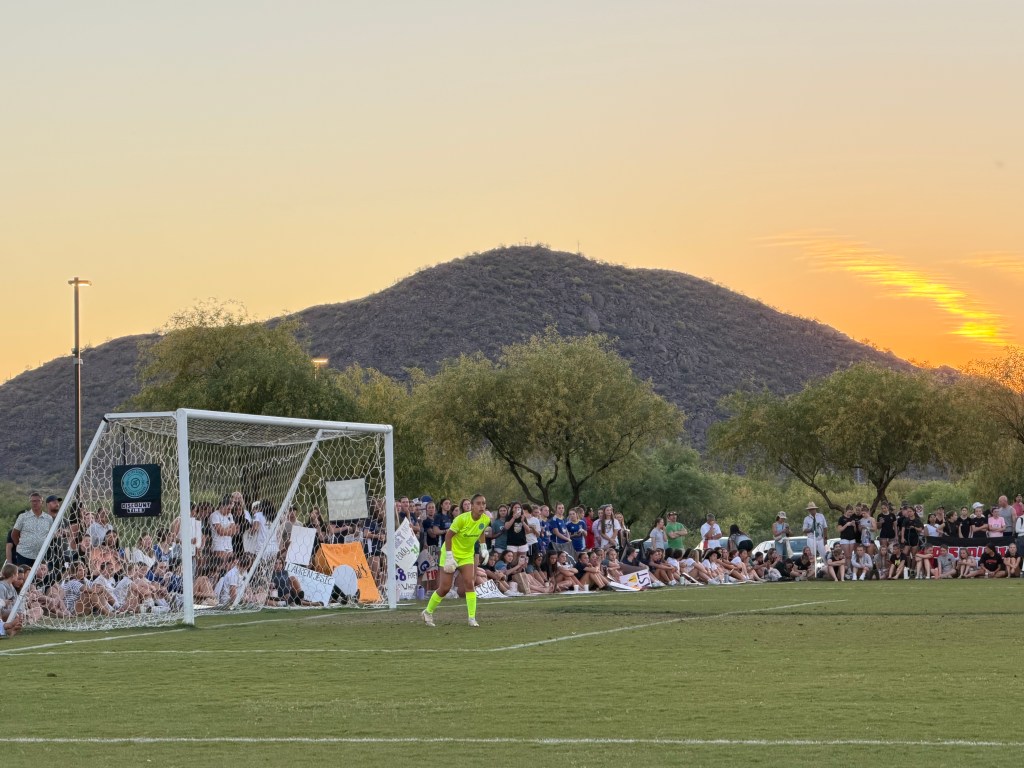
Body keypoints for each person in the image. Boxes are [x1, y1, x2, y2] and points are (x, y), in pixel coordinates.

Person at [422, 494, 490, 627]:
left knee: (470, 584)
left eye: (484, 503)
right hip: (450, 553)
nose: (482, 506)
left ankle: (472, 618)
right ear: (471, 505)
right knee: (445, 587)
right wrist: (449, 556)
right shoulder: (461, 519)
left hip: (466, 555)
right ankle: (427, 612)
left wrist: (484, 547)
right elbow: (448, 536)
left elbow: (481, 531)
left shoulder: (486, 519)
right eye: (478, 503)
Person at [12, 491, 55, 567]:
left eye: (37, 501)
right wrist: (21, 546)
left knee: (40, 577)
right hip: (24, 554)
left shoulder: (48, 518)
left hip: (41, 555)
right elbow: (14, 534)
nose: (35, 503)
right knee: (24, 577)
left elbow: (50, 535)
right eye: (33, 501)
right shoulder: (23, 517)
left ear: (42, 502)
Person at [802, 502, 828, 573]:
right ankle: (814, 570)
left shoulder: (821, 516)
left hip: (820, 538)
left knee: (822, 554)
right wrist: (810, 529)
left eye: (813, 509)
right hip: (811, 538)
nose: (811, 511)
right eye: (810, 509)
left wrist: (825, 538)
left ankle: (824, 570)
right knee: (812, 554)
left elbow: (825, 527)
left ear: (815, 509)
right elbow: (804, 530)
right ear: (808, 510)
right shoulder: (806, 519)